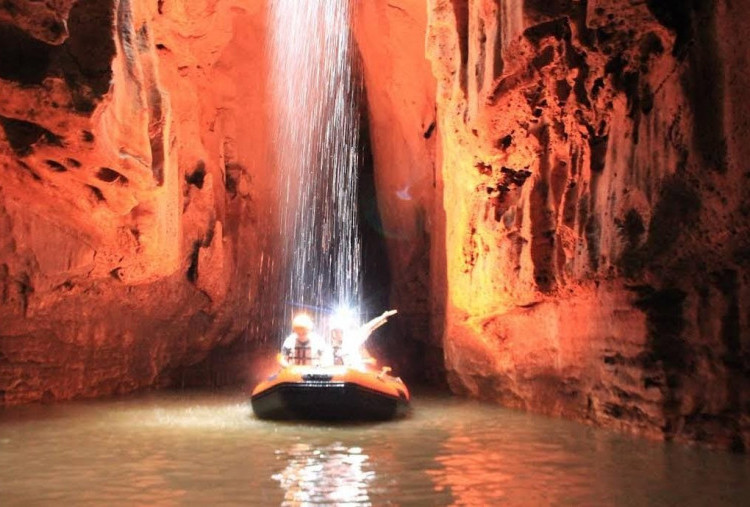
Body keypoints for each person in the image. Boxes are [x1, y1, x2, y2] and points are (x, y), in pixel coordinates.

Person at [328, 309, 397, 368]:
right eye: (336, 332)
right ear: (333, 333)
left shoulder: (351, 340)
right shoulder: (327, 348)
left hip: (353, 376)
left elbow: (369, 327)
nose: (339, 333)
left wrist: (383, 317)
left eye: (340, 331)